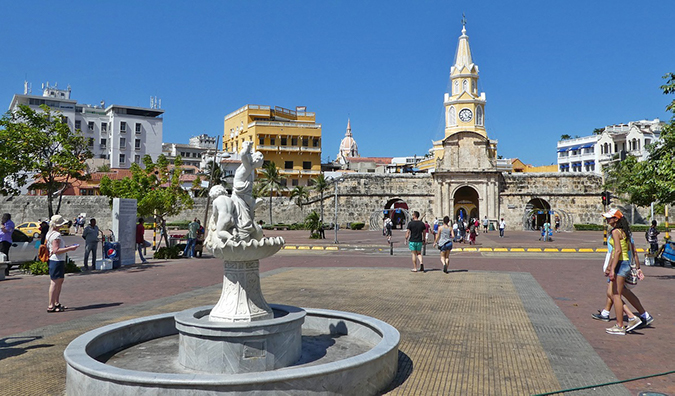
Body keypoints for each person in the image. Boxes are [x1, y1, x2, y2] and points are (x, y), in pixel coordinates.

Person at [602, 209, 653, 335]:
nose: (607, 220)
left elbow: (617, 251)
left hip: (620, 263)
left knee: (616, 295)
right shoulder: (624, 232)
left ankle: (621, 325)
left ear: (616, 219)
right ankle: (631, 318)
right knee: (616, 294)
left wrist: (612, 269)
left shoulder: (615, 232)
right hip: (624, 263)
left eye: (610, 218)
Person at [46, 215, 79, 312]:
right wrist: (70, 248)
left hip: (56, 260)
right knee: (55, 282)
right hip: (56, 260)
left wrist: (65, 247)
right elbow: (56, 250)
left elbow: (55, 248)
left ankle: (56, 303)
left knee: (59, 281)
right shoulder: (56, 235)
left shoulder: (50, 233)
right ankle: (51, 305)